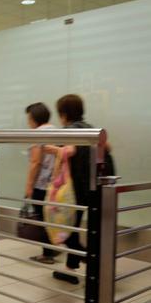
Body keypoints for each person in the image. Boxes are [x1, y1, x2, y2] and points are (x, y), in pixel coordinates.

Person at [45, 94, 109, 284]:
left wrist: (53, 149)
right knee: (82, 228)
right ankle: (72, 267)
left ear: (63, 114)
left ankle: (87, 258)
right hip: (95, 186)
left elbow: (70, 150)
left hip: (76, 189)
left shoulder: (70, 130)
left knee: (67, 228)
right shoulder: (90, 128)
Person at [24, 103, 58, 265]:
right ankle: (54, 247)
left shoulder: (38, 134)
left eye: (29, 118)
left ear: (34, 118)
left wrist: (29, 185)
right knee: (51, 217)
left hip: (41, 184)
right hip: (56, 183)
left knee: (42, 218)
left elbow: (35, 162)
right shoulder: (56, 130)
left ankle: (47, 253)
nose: (28, 122)